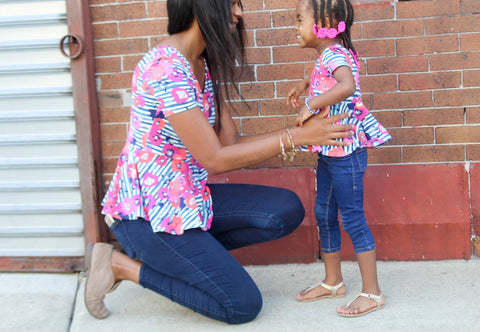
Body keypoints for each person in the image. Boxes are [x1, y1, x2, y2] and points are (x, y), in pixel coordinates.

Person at [84, 0, 355, 325]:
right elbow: (214, 158)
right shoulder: (165, 68)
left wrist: (302, 132)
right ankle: (120, 265)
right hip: (145, 216)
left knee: (285, 209)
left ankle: (187, 256)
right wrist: (295, 137)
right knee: (241, 305)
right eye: (233, 4)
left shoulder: (202, 64)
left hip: (186, 199)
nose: (239, 14)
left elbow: (229, 144)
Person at [286, 0, 391, 318]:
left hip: (347, 153)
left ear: (325, 22)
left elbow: (346, 86)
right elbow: (332, 79)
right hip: (331, 151)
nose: (295, 26)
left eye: (300, 19)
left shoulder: (334, 54)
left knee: (352, 218)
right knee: (324, 212)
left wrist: (312, 103)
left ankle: (372, 292)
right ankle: (333, 282)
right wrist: (308, 84)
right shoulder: (330, 55)